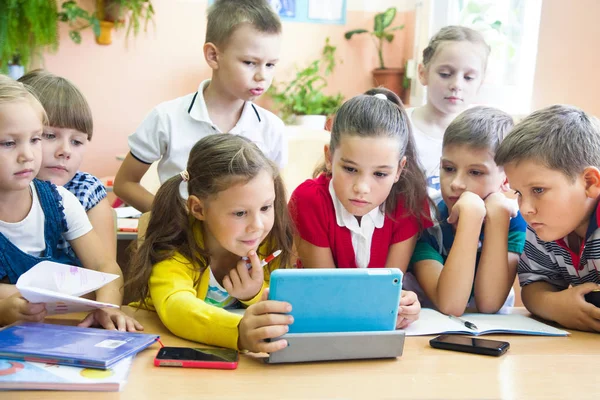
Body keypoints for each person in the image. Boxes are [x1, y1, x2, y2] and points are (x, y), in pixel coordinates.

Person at [114, 0, 287, 212]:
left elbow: (274, 201)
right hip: (179, 243)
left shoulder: (272, 128)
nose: (262, 76)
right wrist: (169, 221)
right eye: (250, 62)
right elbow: (125, 183)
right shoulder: (166, 118)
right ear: (213, 56)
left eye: (270, 65)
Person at [126, 134, 294, 352]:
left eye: (265, 208)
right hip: (167, 351)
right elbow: (176, 307)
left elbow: (281, 308)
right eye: (240, 213)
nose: (258, 225)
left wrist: (252, 295)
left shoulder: (267, 244)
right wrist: (238, 331)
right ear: (198, 209)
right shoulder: (176, 248)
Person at [0, 75, 141, 331]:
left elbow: (105, 268)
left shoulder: (61, 200)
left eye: (34, 139)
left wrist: (107, 307)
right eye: (9, 143)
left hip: (64, 329)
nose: (27, 155)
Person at [288, 88, 432, 329]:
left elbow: (387, 290)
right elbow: (329, 292)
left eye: (380, 173)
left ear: (399, 170)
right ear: (329, 157)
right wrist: (380, 307)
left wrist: (404, 304)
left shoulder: (408, 203)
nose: (362, 187)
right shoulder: (308, 200)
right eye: (350, 169)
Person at [410, 106, 526, 315]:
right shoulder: (426, 219)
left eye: (475, 172)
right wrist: (471, 219)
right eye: (449, 168)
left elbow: (489, 304)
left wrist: (497, 219)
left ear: (506, 179)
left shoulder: (513, 220)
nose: (456, 183)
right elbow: (450, 305)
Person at [495, 105, 600, 332]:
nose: (525, 209)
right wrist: (555, 306)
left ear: (590, 182)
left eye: (539, 190)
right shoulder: (544, 224)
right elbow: (534, 286)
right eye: (518, 193)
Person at [18, 69, 116, 261]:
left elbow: (106, 274)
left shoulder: (86, 191)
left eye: (77, 142)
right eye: (50, 135)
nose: (65, 151)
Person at [408, 25, 490, 197]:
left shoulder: (487, 131)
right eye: (445, 74)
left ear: (481, 82)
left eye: (468, 78)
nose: (456, 85)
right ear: (423, 73)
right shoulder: (400, 126)